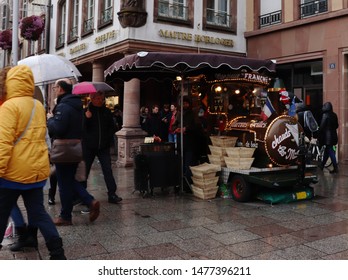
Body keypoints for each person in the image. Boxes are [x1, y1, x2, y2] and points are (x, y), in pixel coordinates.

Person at [0, 65, 66, 259]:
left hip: (12, 174)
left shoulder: (9, 107)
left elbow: (3, 143)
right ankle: (57, 252)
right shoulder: (37, 105)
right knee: (38, 213)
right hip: (35, 173)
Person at [47, 78, 100, 225]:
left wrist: (50, 120)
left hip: (64, 150)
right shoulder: (77, 105)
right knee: (69, 180)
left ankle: (66, 216)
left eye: (55, 87)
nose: (54, 90)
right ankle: (90, 201)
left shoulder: (64, 106)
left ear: (61, 89)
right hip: (75, 148)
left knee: (64, 183)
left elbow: (58, 129)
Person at [83, 91, 122, 204]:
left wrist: (107, 137)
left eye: (102, 98)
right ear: (92, 99)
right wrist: (87, 119)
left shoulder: (106, 112)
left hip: (103, 147)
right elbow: (82, 129)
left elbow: (113, 127)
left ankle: (112, 194)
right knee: (85, 171)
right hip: (89, 147)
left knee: (107, 170)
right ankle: (81, 194)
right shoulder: (86, 111)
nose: (101, 100)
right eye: (99, 98)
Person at [318, 102, 339, 173]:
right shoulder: (334, 115)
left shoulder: (325, 115)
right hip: (333, 135)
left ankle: (335, 167)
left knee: (330, 151)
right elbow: (337, 125)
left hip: (327, 137)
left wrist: (319, 132)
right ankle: (322, 165)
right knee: (327, 151)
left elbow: (322, 126)